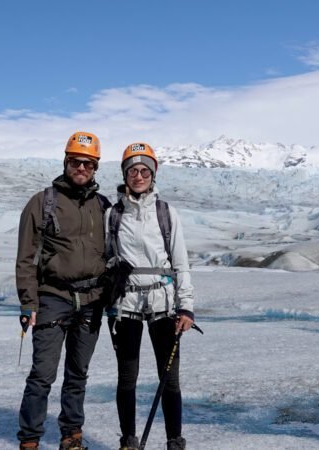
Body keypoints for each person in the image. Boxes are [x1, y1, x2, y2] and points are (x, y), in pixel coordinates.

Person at [16, 131, 110, 450]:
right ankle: (30, 440)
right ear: (65, 162)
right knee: (42, 374)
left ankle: (72, 436)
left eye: (88, 163)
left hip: (91, 300)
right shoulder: (42, 203)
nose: (81, 168)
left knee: (78, 374)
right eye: (75, 162)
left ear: (95, 167)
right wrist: (28, 302)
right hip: (52, 297)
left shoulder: (103, 206)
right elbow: (25, 257)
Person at [105, 143, 195, 450]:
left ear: (153, 175)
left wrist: (186, 307)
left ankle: (174, 441)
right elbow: (106, 257)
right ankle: (128, 441)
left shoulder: (166, 213)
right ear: (125, 175)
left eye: (145, 170)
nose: (139, 176)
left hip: (163, 304)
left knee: (169, 379)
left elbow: (180, 263)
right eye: (133, 170)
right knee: (127, 378)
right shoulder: (113, 215)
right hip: (125, 304)